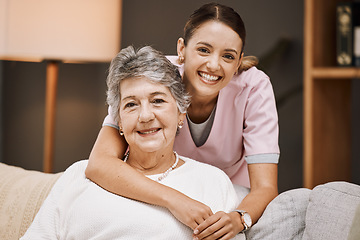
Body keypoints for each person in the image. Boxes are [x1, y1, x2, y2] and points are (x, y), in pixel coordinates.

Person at [86, 2, 279, 239]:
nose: (214, 65)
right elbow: (99, 164)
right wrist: (175, 200)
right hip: (161, 189)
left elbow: (265, 187)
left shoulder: (254, 88)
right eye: (204, 50)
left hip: (225, 201)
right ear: (182, 49)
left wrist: (238, 218)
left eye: (228, 56)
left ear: (238, 62)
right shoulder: (153, 77)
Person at [21, 45, 244, 240]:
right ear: (117, 120)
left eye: (157, 101)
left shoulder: (211, 183)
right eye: (131, 105)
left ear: (180, 113)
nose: (145, 116)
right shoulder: (77, 175)